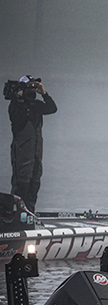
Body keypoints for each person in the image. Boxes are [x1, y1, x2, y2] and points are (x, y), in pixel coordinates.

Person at [8, 75, 57, 213]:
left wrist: (44, 93)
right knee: (21, 184)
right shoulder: (15, 105)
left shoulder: (36, 105)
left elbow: (52, 108)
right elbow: (17, 120)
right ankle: (15, 214)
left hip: (36, 154)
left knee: (34, 183)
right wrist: (19, 98)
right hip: (22, 153)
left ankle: (29, 214)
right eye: (29, 87)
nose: (32, 91)